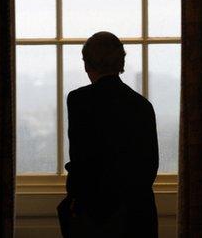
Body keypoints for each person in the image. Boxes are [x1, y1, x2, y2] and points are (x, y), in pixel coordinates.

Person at [57, 31, 159, 237]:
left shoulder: (79, 100)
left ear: (87, 65)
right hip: (137, 213)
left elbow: (81, 159)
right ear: (121, 62)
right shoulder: (142, 105)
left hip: (94, 212)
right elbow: (150, 165)